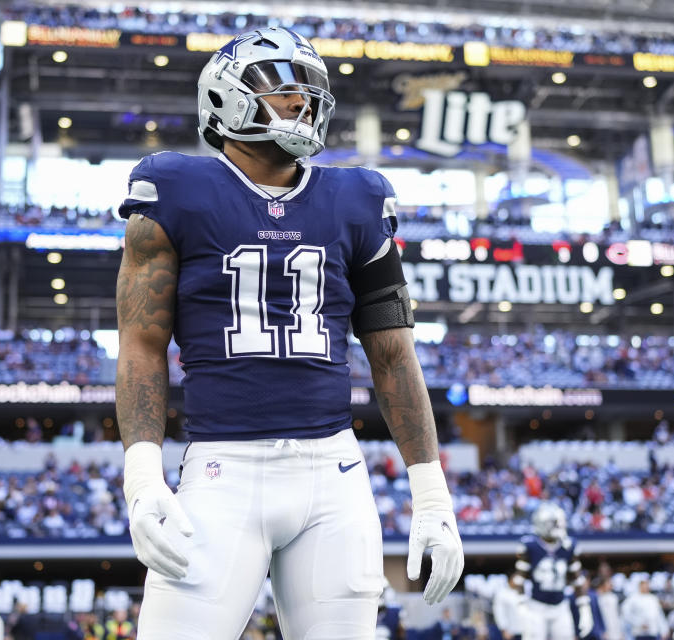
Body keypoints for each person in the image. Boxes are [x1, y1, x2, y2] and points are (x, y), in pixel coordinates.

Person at [115, 25, 464, 640]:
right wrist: (143, 476)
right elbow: (142, 346)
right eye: (284, 87)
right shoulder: (175, 189)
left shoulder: (358, 198)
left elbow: (392, 354)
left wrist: (430, 491)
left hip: (333, 474)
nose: (303, 100)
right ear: (227, 97)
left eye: (310, 89)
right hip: (222, 472)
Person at [511, 503, 590, 640]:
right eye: (554, 523)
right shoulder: (530, 546)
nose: (558, 526)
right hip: (536, 607)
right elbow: (519, 579)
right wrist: (521, 606)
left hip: (560, 606)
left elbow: (578, 580)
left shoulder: (568, 546)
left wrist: (585, 608)